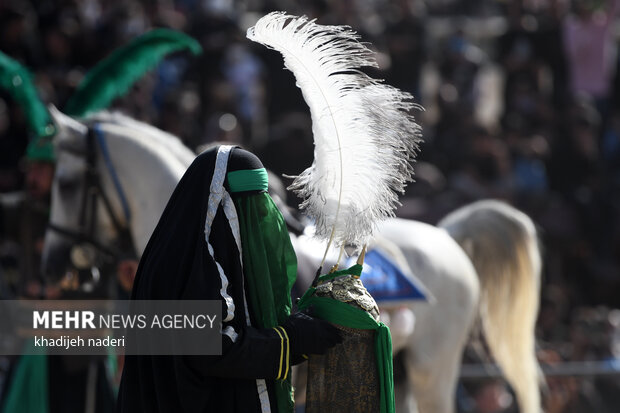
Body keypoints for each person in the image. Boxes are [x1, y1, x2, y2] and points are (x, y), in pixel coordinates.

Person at [116, 145, 341, 412]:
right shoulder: (183, 260)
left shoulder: (197, 247)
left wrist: (299, 327)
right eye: (249, 206)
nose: (257, 216)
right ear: (221, 204)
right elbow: (213, 347)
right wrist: (290, 340)